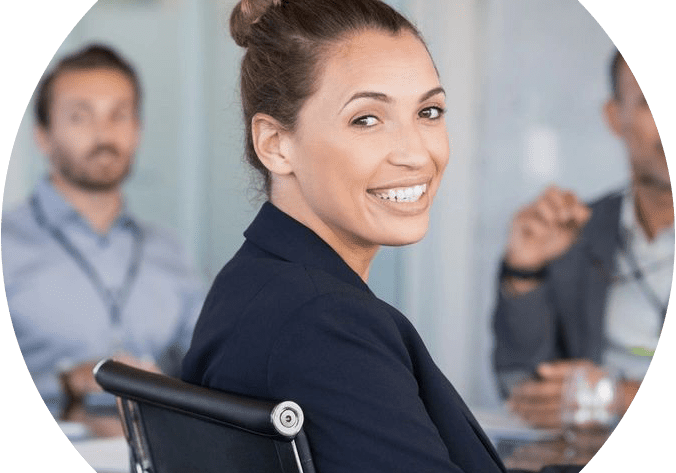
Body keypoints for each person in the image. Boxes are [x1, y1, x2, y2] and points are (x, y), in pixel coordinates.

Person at [182, 1, 580, 472]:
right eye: (366, 119)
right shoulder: (324, 324)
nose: (416, 153)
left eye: (429, 111)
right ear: (275, 144)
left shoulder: (253, 281)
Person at [2, 44, 205, 418]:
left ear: (138, 132)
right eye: (81, 117)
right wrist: (63, 381)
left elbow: (207, 364)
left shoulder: (170, 249)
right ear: (43, 136)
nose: (104, 133)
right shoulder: (6, 247)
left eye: (119, 115)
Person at [492, 50, 673, 428]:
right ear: (614, 117)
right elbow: (519, 386)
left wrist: (614, 395)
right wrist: (525, 272)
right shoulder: (575, 231)